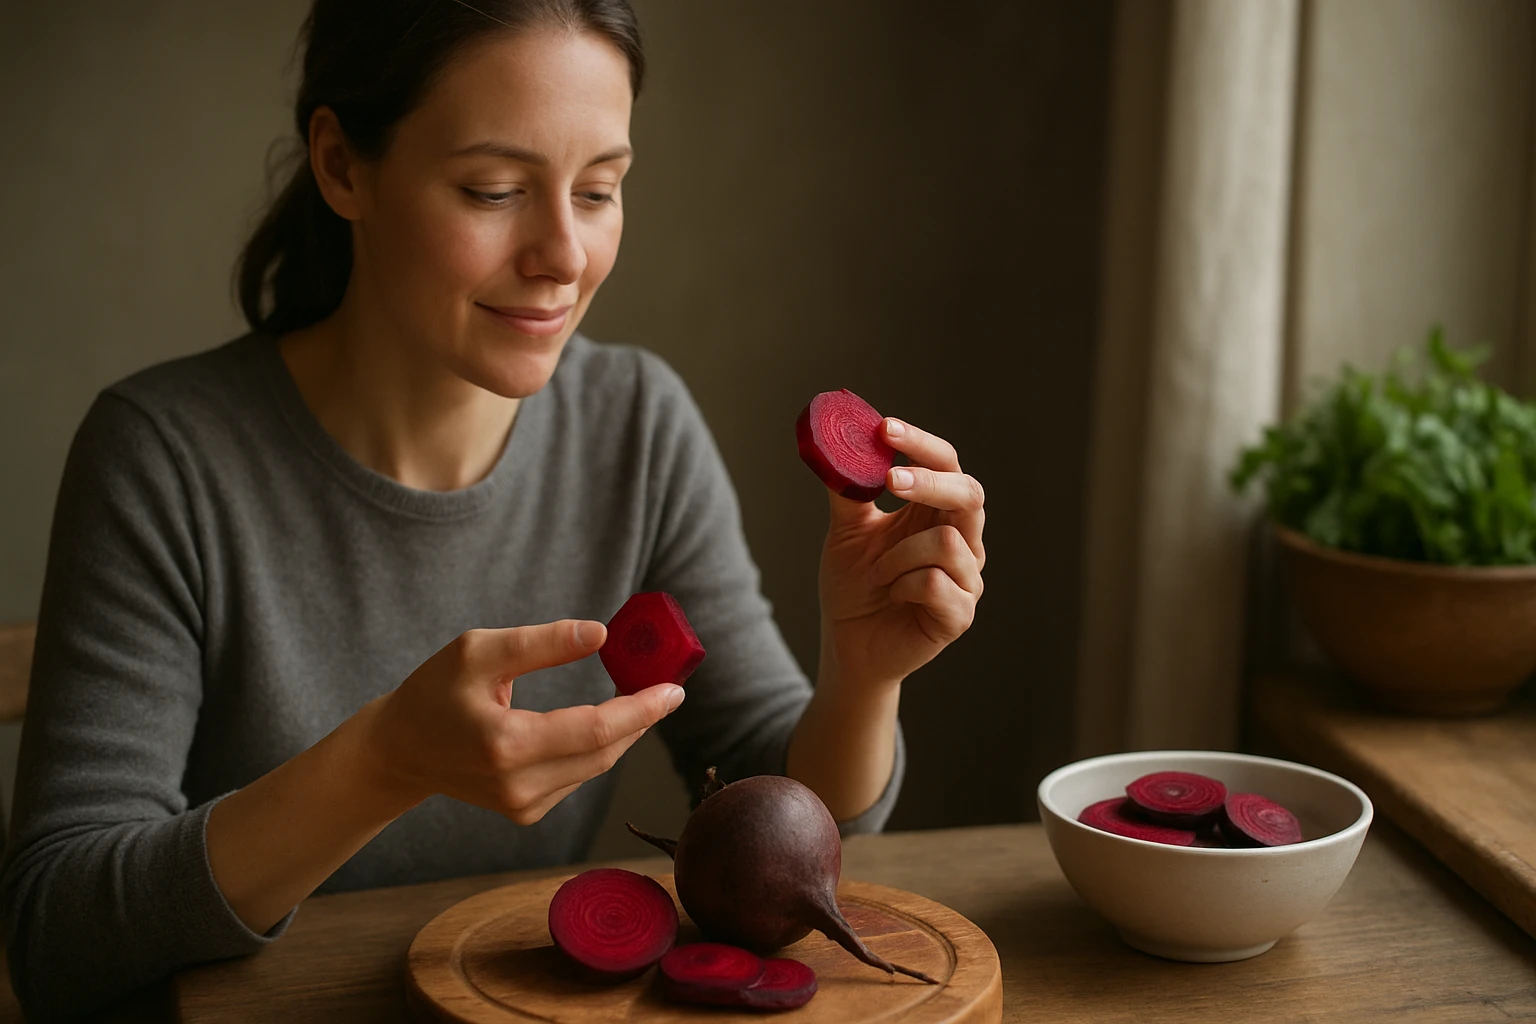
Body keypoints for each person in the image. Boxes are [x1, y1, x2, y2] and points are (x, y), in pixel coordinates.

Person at [0, 0, 986, 1017]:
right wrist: (383, 763)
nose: (565, 253)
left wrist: (862, 675)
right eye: (495, 190)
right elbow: (56, 934)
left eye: (599, 190)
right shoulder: (163, 456)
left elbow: (793, 838)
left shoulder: (636, 426)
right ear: (341, 166)